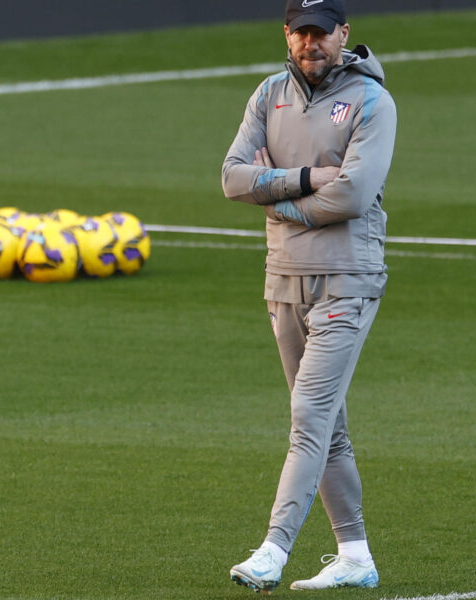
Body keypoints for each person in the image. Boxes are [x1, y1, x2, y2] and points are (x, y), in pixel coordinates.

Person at [221, 0, 396, 593]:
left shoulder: (372, 101)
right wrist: (305, 179)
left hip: (349, 276)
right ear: (287, 35)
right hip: (284, 278)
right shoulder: (268, 94)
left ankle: (274, 549)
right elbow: (231, 177)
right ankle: (355, 555)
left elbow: (352, 196)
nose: (310, 44)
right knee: (330, 427)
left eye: (322, 33)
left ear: (344, 35)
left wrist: (275, 200)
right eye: (301, 34)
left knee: (309, 416)